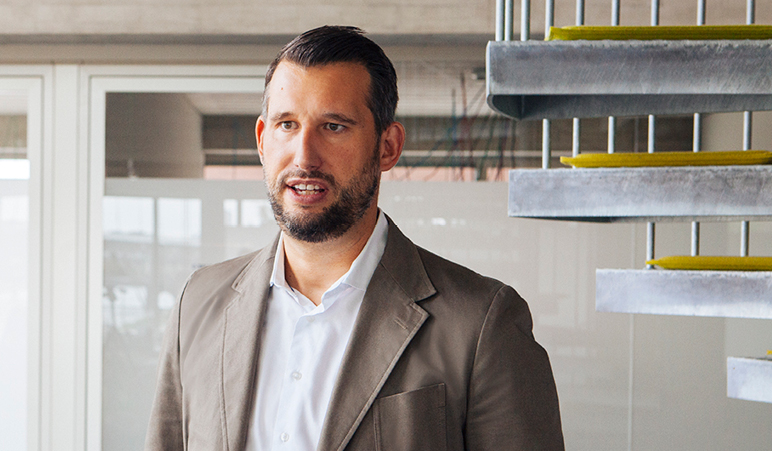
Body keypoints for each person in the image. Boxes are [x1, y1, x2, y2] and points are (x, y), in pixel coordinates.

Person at [146, 25, 564, 451]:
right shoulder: (197, 302)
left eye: (334, 126)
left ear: (388, 146)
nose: (304, 155)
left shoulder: (481, 325)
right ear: (261, 140)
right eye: (287, 125)